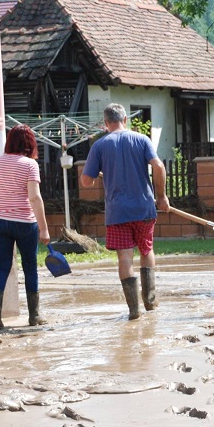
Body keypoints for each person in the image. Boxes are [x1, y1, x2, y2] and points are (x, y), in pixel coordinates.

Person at [80, 103, 170, 320]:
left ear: (105, 123)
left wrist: (95, 174)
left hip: (117, 212)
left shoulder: (99, 146)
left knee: (125, 258)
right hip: (144, 208)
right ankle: (149, 300)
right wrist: (161, 196)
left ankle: (133, 310)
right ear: (125, 119)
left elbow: (86, 182)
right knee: (146, 251)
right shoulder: (142, 140)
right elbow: (158, 167)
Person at [0, 124, 50, 329]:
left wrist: (3, 210)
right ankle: (35, 316)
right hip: (25, 223)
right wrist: (44, 228)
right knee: (30, 267)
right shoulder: (30, 165)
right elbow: (35, 198)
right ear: (30, 143)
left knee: (2, 266)